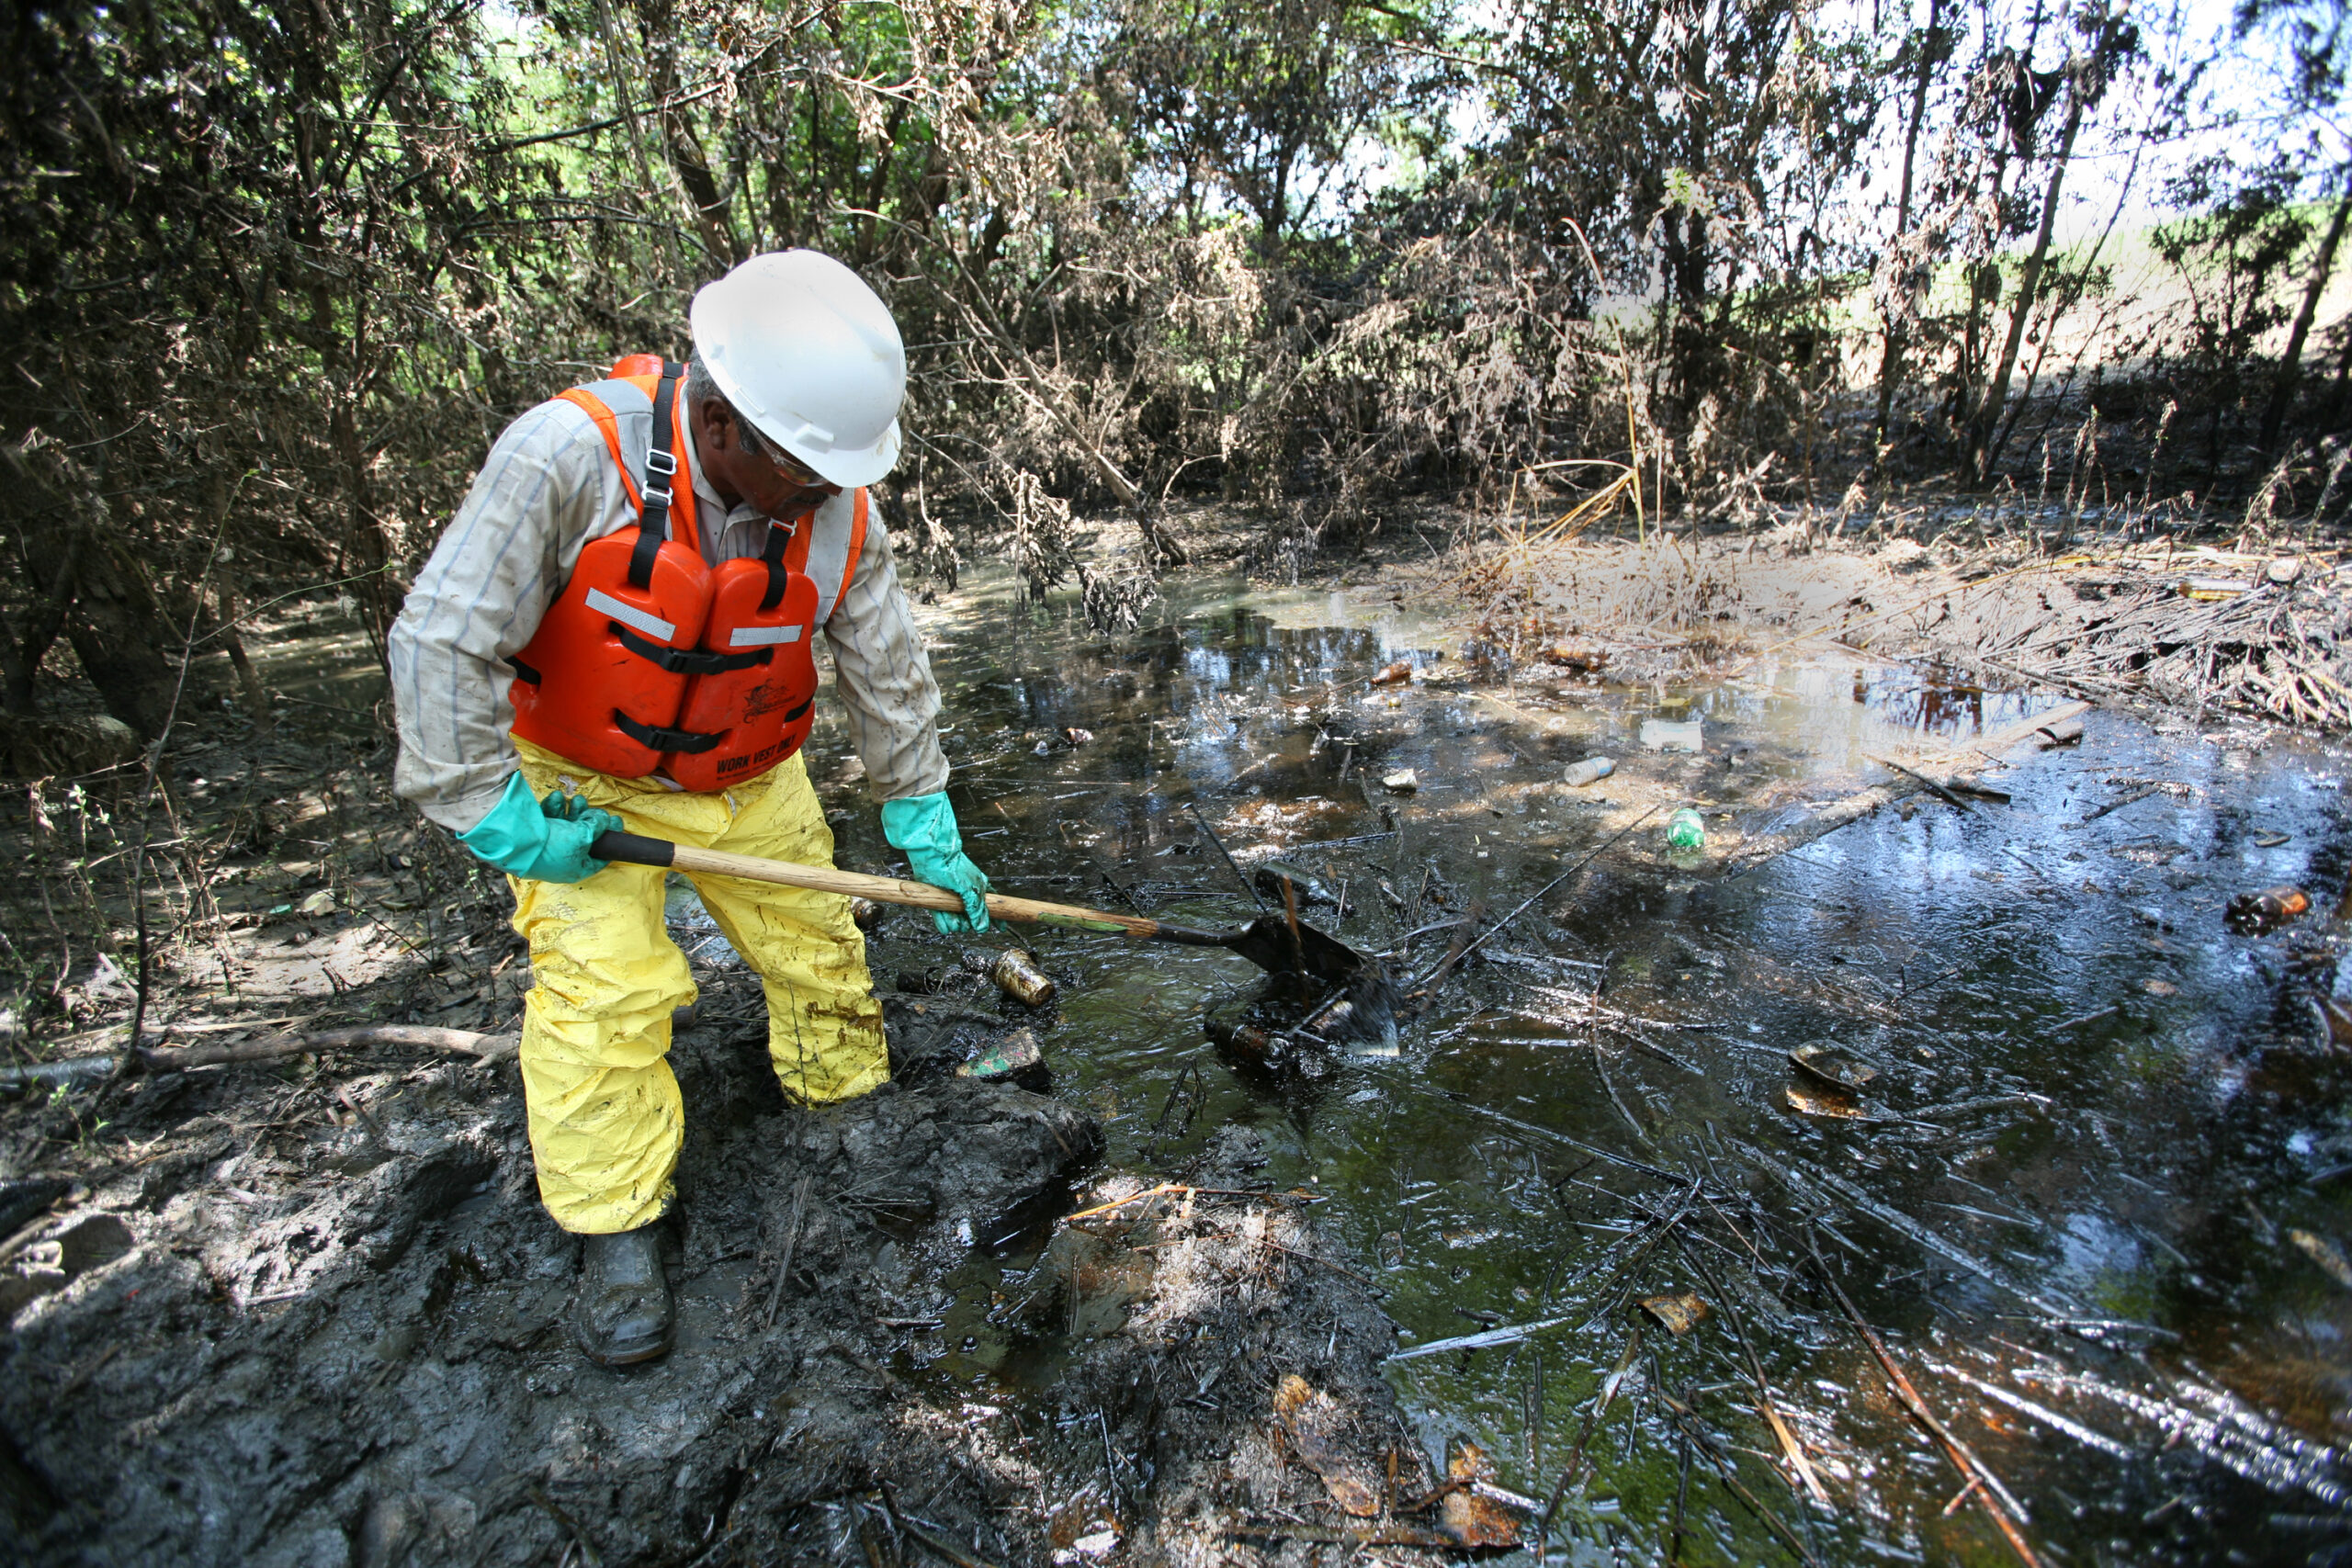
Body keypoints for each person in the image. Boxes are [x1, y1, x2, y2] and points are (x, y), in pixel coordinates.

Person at [387, 250, 992, 1367]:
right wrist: (491, 808)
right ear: (721, 424)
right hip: (583, 782)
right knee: (604, 995)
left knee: (820, 950)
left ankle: (843, 1115)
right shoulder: (567, 456)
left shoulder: (836, 511)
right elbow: (439, 639)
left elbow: (887, 670)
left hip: (753, 773)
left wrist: (921, 814)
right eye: (803, 472)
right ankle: (616, 1225)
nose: (821, 496)